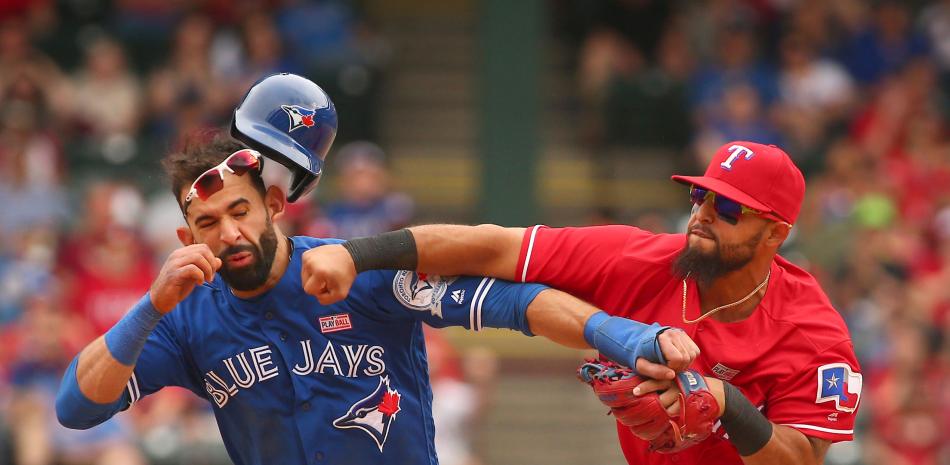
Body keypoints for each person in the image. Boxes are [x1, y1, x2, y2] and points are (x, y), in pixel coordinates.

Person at [55, 73, 699, 465]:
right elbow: (75, 408)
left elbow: (514, 303)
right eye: (206, 223)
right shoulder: (182, 318)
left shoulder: (349, 273)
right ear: (184, 236)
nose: (229, 233)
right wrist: (151, 305)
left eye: (241, 211)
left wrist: (623, 334)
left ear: (276, 204)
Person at [302, 141, 862, 465]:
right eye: (700, 194)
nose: (703, 214)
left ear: (775, 233)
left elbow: (802, 459)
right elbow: (496, 245)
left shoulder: (812, 333)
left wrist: (726, 403)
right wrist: (355, 254)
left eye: (730, 208)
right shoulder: (640, 258)